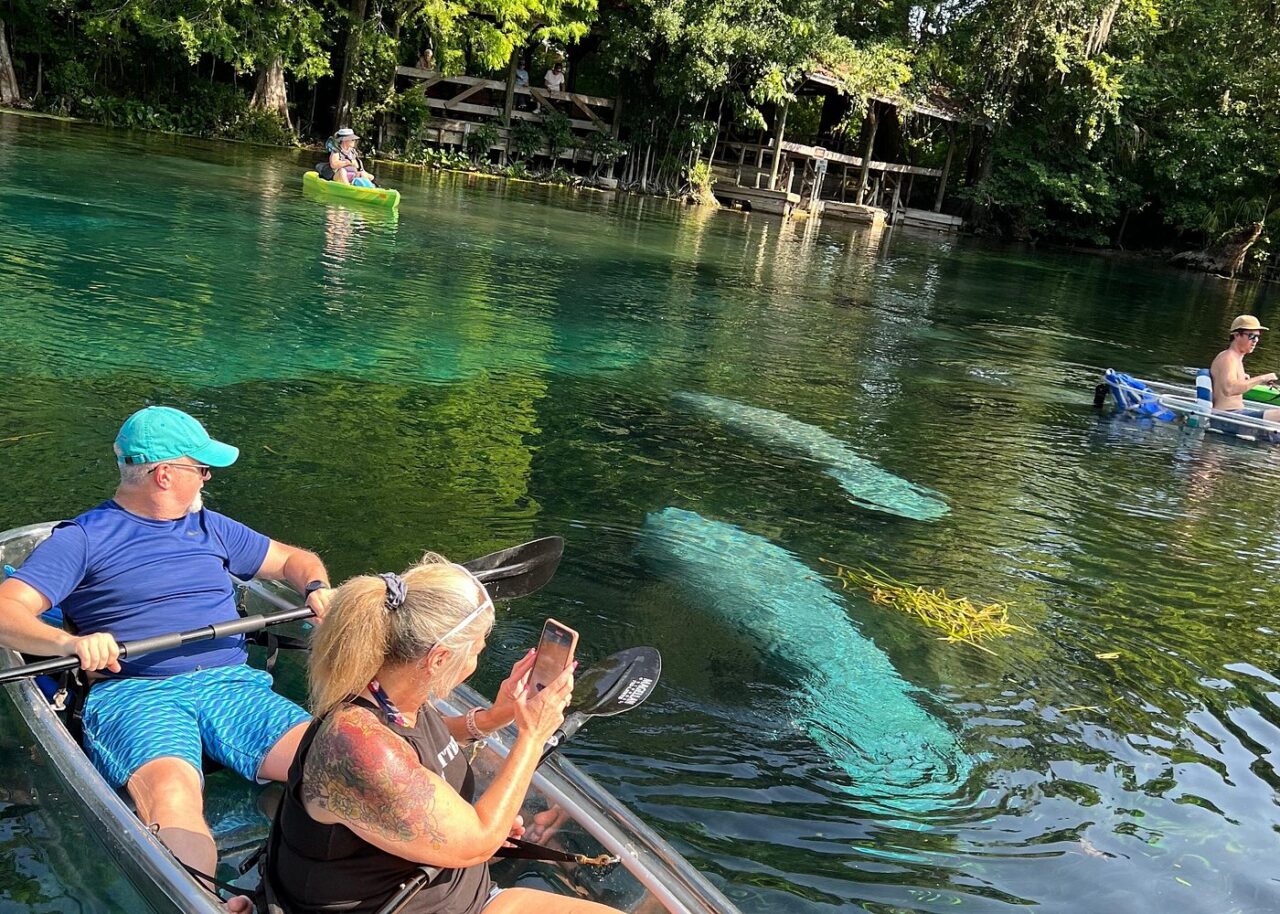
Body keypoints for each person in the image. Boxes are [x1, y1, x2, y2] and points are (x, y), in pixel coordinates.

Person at [0, 406, 333, 906]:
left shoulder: (211, 527)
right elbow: (7, 612)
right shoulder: (82, 539)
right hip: (135, 695)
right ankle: (205, 903)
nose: (206, 479)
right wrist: (71, 644)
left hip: (230, 686)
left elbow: (291, 559)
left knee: (332, 761)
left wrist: (316, 587)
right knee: (174, 795)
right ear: (164, 475)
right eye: (202, 469)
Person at [264, 555, 621, 914]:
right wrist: (532, 735)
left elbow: (415, 747)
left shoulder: (391, 693)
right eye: (477, 650)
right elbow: (478, 841)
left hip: (464, 893)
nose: (476, 662)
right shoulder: (357, 743)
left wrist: (495, 717)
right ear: (438, 659)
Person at [1209, 314, 1280, 430]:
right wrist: (1262, 378)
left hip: (1236, 415)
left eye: (1257, 337)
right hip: (1224, 419)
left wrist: (1247, 380)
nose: (1255, 341)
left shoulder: (1236, 359)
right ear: (1236, 335)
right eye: (1251, 336)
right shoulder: (1228, 358)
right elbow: (1229, 389)